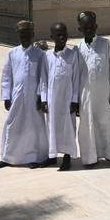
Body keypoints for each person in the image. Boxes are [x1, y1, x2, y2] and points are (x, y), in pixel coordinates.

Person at [0, 20, 49, 170]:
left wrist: (41, 96)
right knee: (12, 124)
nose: (24, 37)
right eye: (21, 35)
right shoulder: (12, 53)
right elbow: (6, 76)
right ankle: (8, 156)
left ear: (32, 35)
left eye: (27, 34)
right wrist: (6, 96)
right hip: (16, 96)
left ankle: (35, 156)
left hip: (33, 98)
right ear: (18, 35)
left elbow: (43, 77)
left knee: (33, 126)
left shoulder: (39, 54)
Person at [76, 11, 110, 168]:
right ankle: (90, 158)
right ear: (80, 29)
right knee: (87, 125)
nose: (89, 29)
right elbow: (75, 76)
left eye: (91, 26)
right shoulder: (78, 49)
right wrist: (75, 100)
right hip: (85, 95)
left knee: (106, 123)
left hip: (103, 95)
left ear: (96, 26)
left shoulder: (106, 44)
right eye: (85, 27)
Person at [39, 22, 80, 171]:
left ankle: (67, 157)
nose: (62, 37)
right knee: (52, 126)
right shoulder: (47, 56)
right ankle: (52, 156)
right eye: (58, 35)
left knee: (68, 127)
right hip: (52, 99)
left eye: (64, 34)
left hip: (67, 99)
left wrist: (75, 100)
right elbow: (43, 79)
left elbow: (76, 79)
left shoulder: (72, 55)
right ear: (52, 37)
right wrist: (43, 98)